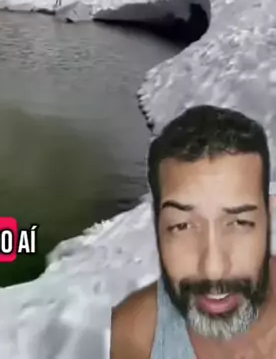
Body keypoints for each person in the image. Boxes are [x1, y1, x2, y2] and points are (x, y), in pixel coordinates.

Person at [110, 104, 276, 357]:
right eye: (182, 226)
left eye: (239, 223)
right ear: (157, 225)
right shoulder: (137, 335)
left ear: (269, 218)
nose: (213, 269)